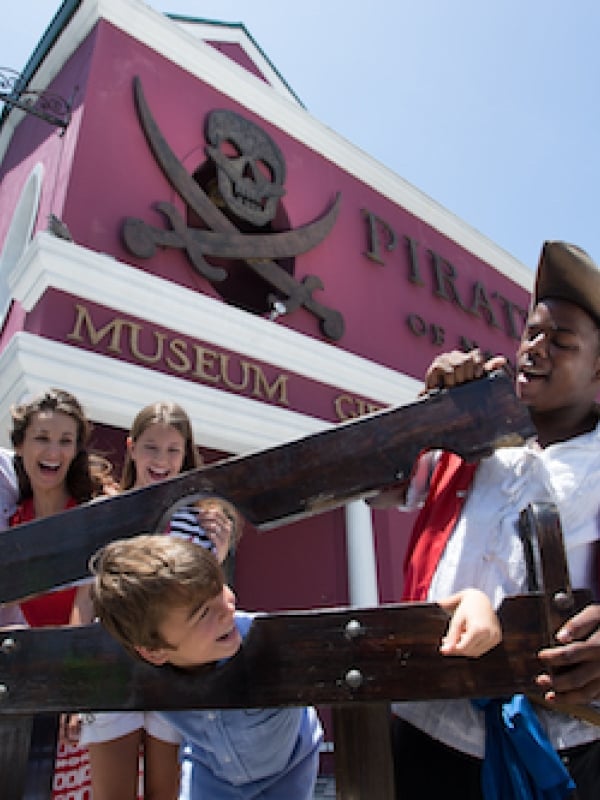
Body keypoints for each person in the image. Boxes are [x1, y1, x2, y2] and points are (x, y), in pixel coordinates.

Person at [371, 240, 600, 799]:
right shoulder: (467, 437)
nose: (535, 348)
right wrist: (430, 411)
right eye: (532, 333)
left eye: (562, 342)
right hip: (428, 725)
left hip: (563, 738)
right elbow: (377, 484)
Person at [88, 534, 500, 800]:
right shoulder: (139, 662)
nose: (226, 609)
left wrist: (471, 601)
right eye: (202, 613)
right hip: (213, 777)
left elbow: (372, 632)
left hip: (288, 771)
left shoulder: (262, 637)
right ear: (155, 652)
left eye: (222, 591)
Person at [73, 401, 239, 800]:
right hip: (113, 665)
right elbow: (85, 598)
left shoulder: (202, 520)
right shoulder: (106, 511)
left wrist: (219, 554)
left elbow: (211, 600)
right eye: (151, 447)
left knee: (165, 793)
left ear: (185, 455)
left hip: (176, 668)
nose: (161, 459)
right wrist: (75, 680)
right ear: (131, 447)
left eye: (172, 450)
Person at [8, 388, 110, 800]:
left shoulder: (90, 515)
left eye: (65, 441)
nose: (54, 451)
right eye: (42, 438)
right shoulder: (13, 522)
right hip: (25, 686)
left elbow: (83, 610)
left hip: (79, 676)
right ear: (20, 445)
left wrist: (72, 694)